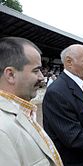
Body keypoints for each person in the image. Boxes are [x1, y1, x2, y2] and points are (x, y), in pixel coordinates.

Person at [0, 37, 63, 166]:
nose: (41, 76)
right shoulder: (2, 129)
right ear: (10, 75)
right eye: (36, 70)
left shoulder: (22, 112)